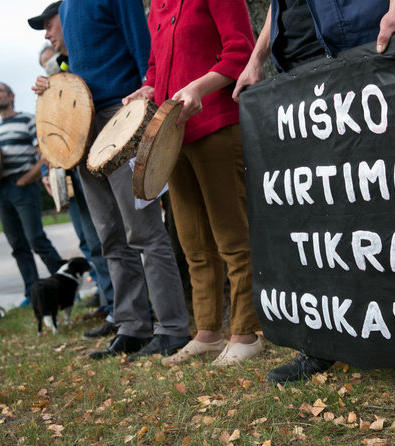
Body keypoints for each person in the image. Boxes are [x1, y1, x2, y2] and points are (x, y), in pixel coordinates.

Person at [232, 0, 395, 431]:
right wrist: (257, 58)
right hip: (300, 71)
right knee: (322, 214)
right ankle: (326, 337)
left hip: (374, 41)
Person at [29, 0, 191, 360]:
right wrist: (53, 86)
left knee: (145, 231)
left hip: (123, 115)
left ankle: (172, 328)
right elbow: (82, 62)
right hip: (82, 126)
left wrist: (148, 103)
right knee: (109, 238)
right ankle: (132, 326)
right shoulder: (68, 7)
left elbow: (144, 50)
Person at [122, 0, 264, 367]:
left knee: (232, 235)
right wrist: (147, 89)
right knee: (194, 242)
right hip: (172, 136)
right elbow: (155, 66)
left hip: (217, 123)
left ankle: (246, 333)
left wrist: (199, 87)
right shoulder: (156, 6)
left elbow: (241, 52)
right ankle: (207, 334)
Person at [29, 7, 118, 336]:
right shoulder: (54, 74)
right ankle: (111, 305)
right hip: (68, 170)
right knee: (90, 243)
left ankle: (123, 307)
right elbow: (51, 128)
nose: (46, 34)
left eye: (48, 26)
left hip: (95, 155)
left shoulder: (87, 58)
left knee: (108, 237)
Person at [0, 81, 64, 307]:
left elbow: (43, 154)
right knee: (17, 244)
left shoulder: (27, 120)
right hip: (1, 190)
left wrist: (27, 179)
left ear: (11, 95)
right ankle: (32, 293)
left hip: (24, 188)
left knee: (36, 238)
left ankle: (65, 283)